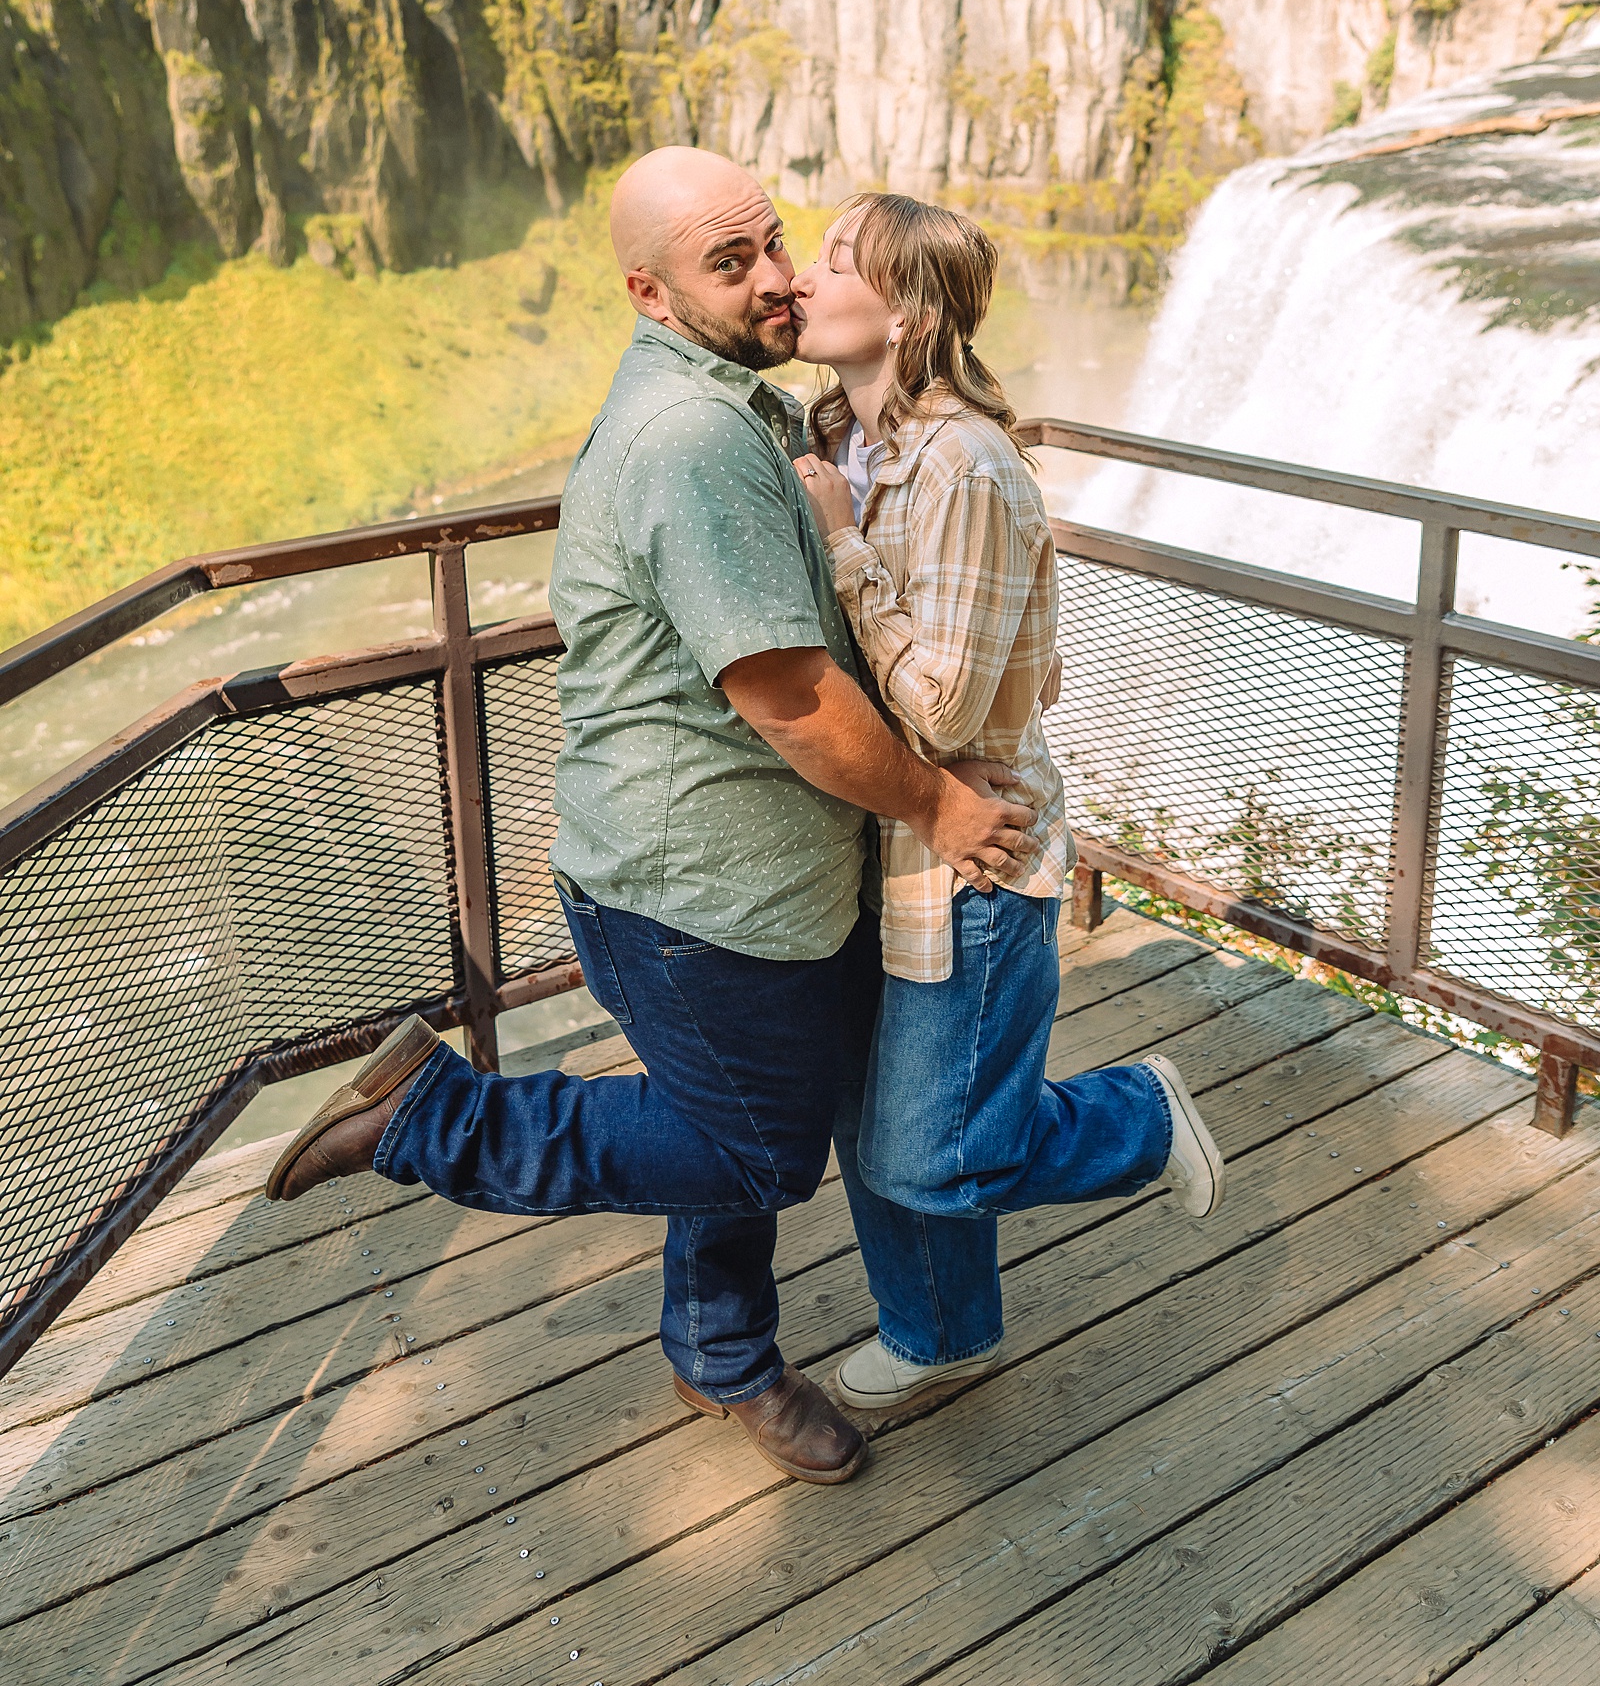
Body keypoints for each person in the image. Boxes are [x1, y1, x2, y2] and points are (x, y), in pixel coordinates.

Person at [263, 148, 1035, 1488]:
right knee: (756, 1142)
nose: (778, 277)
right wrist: (939, 801)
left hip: (758, 882)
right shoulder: (693, 439)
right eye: (731, 266)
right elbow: (788, 693)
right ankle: (428, 1118)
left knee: (734, 1111)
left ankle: (722, 1350)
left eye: (776, 244)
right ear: (653, 291)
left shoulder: (748, 402)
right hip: (697, 895)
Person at [788, 192, 1225, 1414]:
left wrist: (839, 544)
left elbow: (938, 705)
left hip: (972, 860)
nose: (804, 279)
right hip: (873, 844)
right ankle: (941, 1329)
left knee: (929, 1146)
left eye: (836, 262)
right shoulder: (841, 430)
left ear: (908, 314)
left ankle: (1135, 1113)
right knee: (871, 1120)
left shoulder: (966, 468)